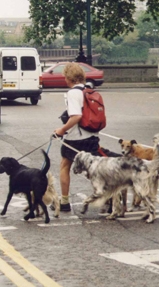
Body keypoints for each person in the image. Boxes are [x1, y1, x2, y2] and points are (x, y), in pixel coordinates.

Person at [53, 62, 100, 212]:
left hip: (75, 138)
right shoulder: (89, 91)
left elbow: (76, 117)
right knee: (94, 169)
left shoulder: (73, 93)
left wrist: (61, 129)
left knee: (64, 166)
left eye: (65, 77)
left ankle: (65, 202)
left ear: (69, 78)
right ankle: (107, 197)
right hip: (92, 135)